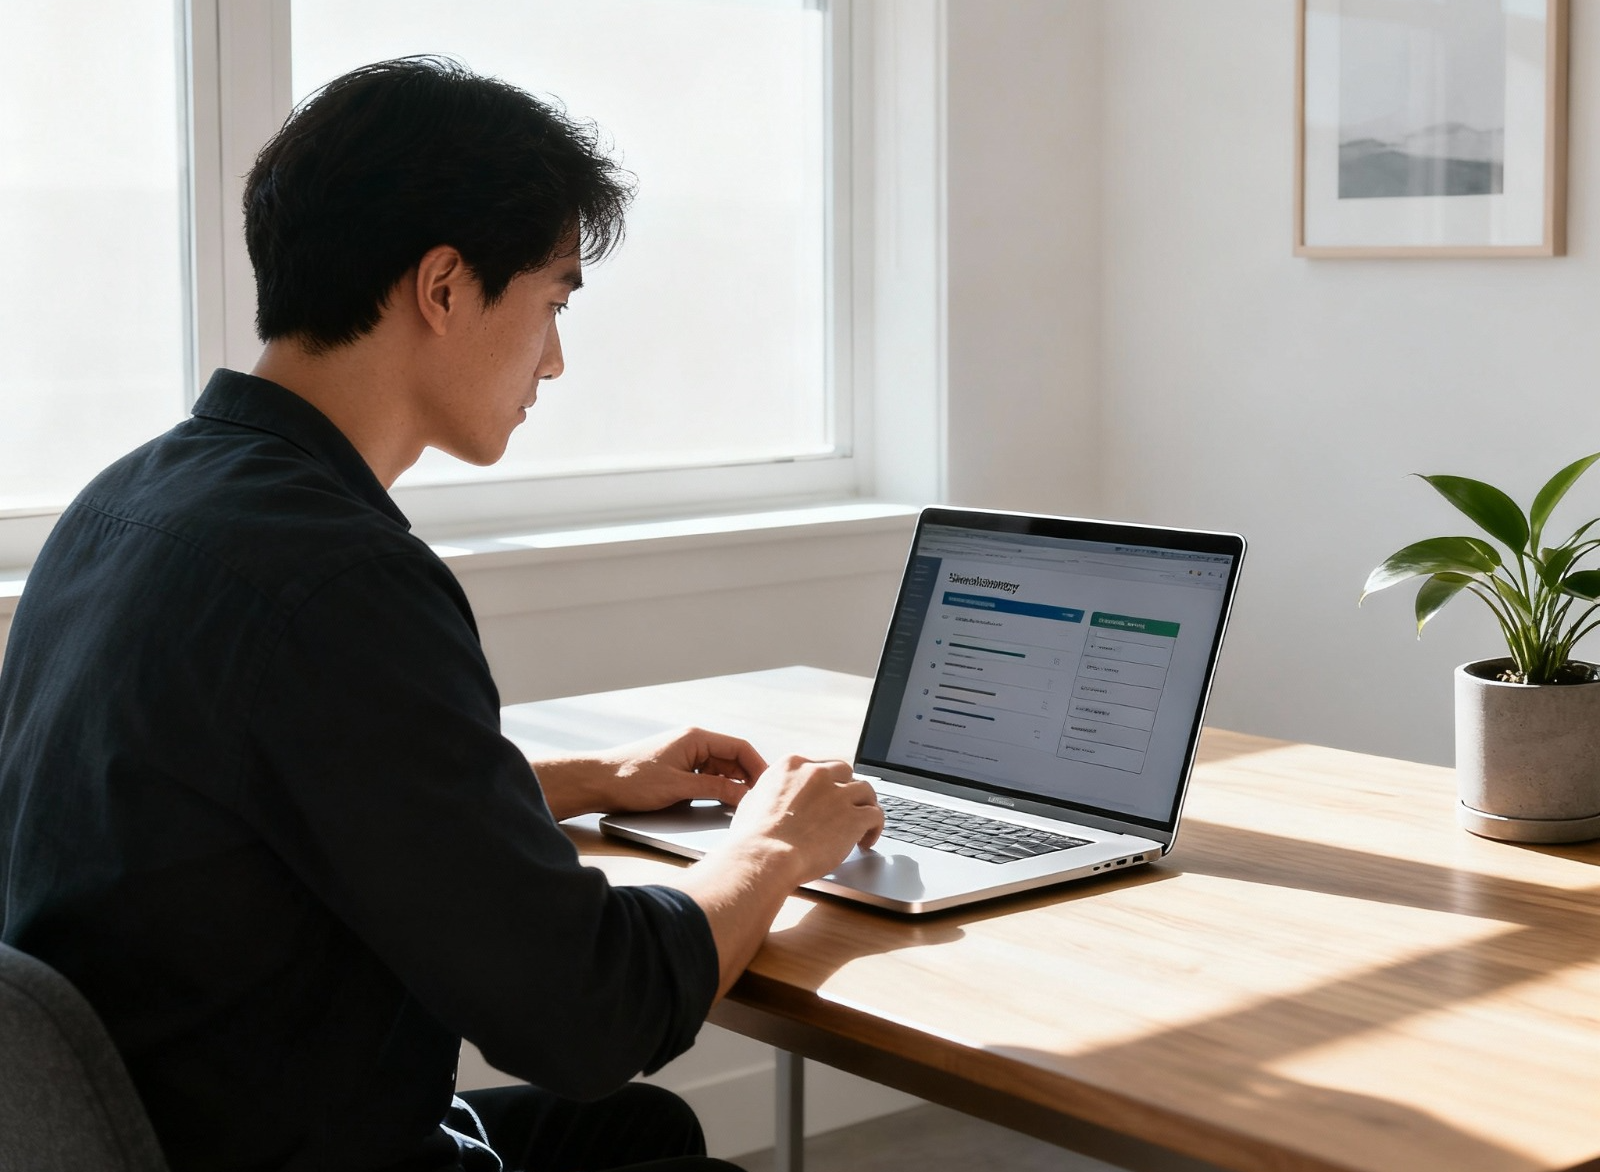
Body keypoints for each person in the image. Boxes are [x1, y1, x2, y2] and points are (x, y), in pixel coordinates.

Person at [0, 57, 882, 1172]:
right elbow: (586, 1012)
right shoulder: (340, 579)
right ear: (446, 286)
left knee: (636, 1134)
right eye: (553, 300)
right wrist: (767, 848)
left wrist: (588, 779)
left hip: (168, 1119)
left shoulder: (129, 500)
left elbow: (274, 795)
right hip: (288, 1144)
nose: (555, 359)